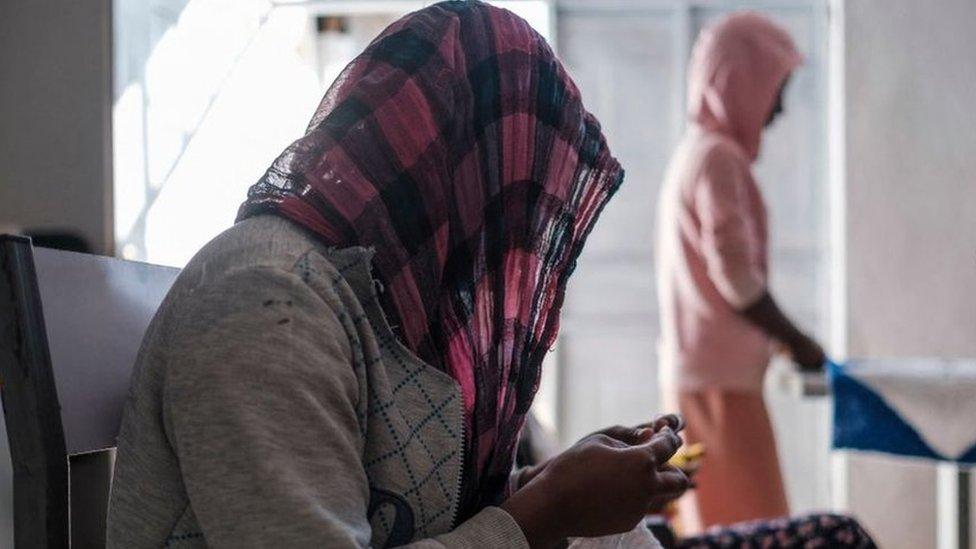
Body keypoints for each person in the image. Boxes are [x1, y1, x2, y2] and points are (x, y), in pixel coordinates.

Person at [107, 2, 689, 548]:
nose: (516, 250)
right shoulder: (267, 303)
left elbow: (404, 505)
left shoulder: (390, 304)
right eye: (512, 203)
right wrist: (552, 509)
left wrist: (554, 485)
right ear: (456, 174)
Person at [655, 12, 827, 533]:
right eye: (773, 90)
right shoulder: (717, 159)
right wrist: (799, 340)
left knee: (722, 525)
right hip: (719, 387)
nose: (777, 110)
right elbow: (736, 278)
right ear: (740, 84)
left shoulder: (698, 154)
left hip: (707, 377)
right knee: (750, 530)